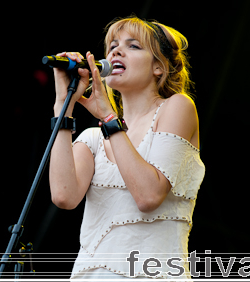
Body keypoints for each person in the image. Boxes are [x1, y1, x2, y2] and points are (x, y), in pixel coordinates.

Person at [49, 16, 205, 280]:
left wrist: (110, 119)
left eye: (133, 46)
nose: (116, 51)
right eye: (112, 46)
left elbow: (148, 196)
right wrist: (63, 104)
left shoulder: (177, 108)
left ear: (159, 67)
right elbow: (64, 196)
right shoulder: (93, 139)